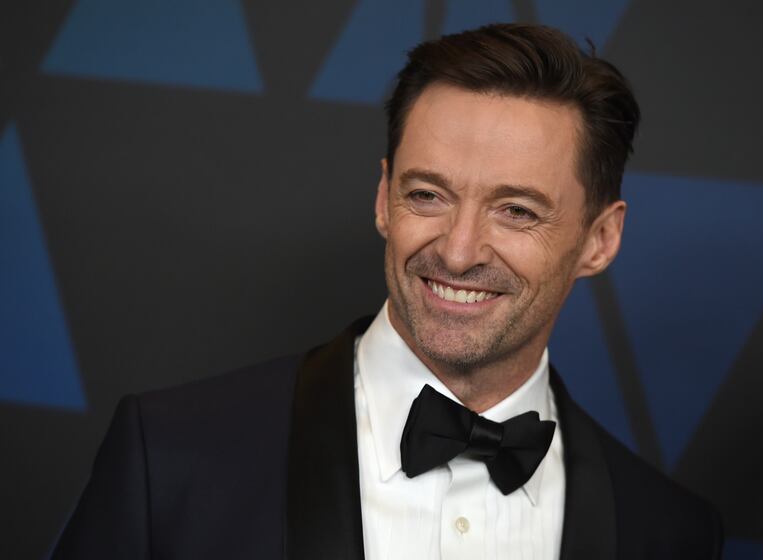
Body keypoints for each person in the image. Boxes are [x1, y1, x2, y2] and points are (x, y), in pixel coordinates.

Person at [52, 23, 723, 560]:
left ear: (599, 240)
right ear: (383, 198)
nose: (457, 251)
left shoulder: (669, 533)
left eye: (516, 210)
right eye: (427, 195)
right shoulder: (170, 458)